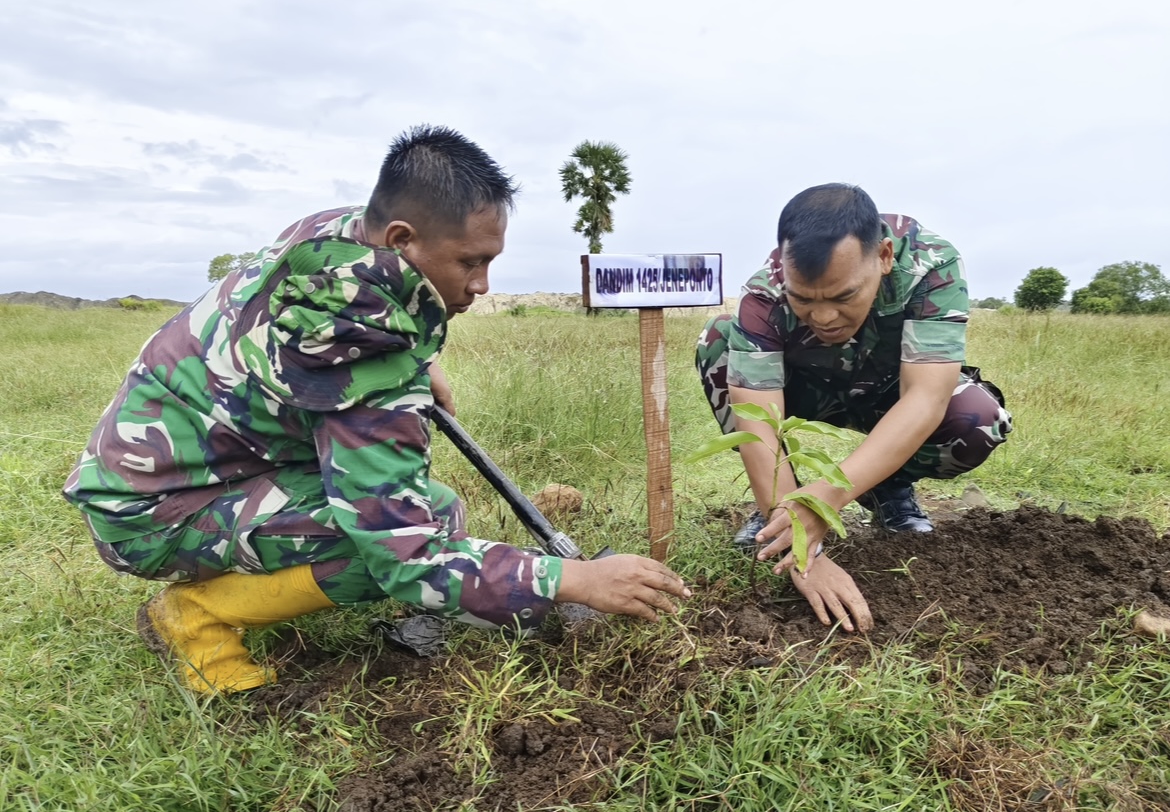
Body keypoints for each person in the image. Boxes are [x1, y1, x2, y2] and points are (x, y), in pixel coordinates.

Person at [63, 125, 691, 695]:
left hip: (197, 467)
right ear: (402, 240)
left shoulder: (339, 237)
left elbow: (370, 314)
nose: (482, 285)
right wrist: (571, 580)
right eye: (470, 262)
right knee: (402, 539)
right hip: (149, 512)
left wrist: (419, 358)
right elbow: (408, 555)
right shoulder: (356, 354)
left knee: (436, 507)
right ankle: (197, 614)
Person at [695, 183, 1011, 634]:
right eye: (804, 299)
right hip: (806, 393)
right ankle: (778, 507)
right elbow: (758, 425)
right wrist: (801, 541)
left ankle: (887, 489)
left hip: (890, 394)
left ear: (883, 257)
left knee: (978, 419)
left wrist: (828, 499)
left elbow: (925, 398)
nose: (823, 317)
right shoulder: (763, 296)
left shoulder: (929, 264)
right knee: (717, 341)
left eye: (843, 297)